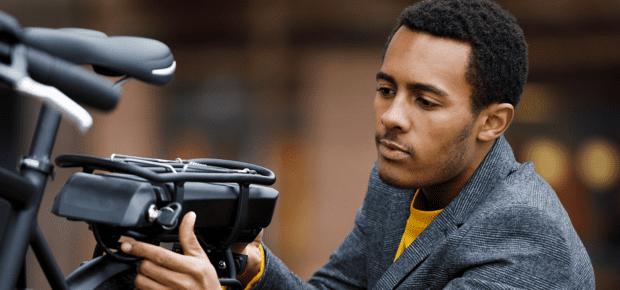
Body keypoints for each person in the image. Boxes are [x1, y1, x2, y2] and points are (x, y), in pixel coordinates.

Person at [120, 0, 596, 289]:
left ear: (492, 122)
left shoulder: (526, 235)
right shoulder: (399, 182)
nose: (391, 118)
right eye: (387, 89)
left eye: (425, 101)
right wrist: (247, 265)